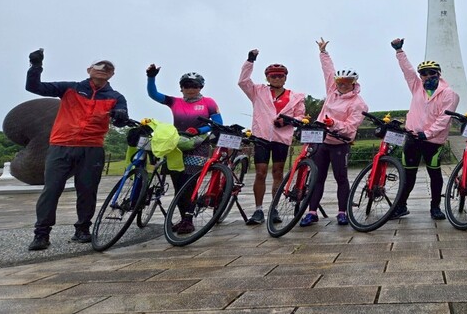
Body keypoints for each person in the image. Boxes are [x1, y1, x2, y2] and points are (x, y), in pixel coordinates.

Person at [25, 49, 128, 251]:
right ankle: (41, 234)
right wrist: (35, 66)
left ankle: (82, 229)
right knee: (51, 190)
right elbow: (34, 87)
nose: (103, 70)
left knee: (87, 191)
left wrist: (120, 115)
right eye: (99, 67)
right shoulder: (70, 88)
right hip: (61, 145)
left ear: (112, 75)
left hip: (92, 148)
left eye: (108, 69)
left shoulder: (116, 96)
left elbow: (122, 119)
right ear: (89, 69)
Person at [299, 38, 368, 227]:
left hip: (340, 143)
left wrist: (333, 123)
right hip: (322, 141)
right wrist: (323, 53)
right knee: (317, 177)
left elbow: (351, 126)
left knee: (341, 178)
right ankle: (312, 212)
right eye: (340, 81)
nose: (342, 84)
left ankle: (342, 212)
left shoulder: (359, 103)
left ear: (354, 83)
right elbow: (328, 72)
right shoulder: (332, 91)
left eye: (347, 82)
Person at [146, 65, 223, 234]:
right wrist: (151, 77)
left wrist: (199, 130)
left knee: (189, 182)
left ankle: (188, 219)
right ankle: (184, 219)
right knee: (178, 183)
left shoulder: (208, 102)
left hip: (198, 145)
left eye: (194, 85)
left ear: (200, 87)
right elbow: (154, 95)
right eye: (186, 85)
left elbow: (218, 123)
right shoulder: (175, 102)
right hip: (177, 144)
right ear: (181, 87)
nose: (190, 89)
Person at [389, 38, 459, 220]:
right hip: (413, 138)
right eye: (424, 74)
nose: (427, 76)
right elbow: (407, 71)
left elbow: (444, 118)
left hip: (432, 141)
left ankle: (435, 207)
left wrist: (427, 133)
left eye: (431, 73)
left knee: (434, 174)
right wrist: (399, 51)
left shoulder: (449, 94)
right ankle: (401, 206)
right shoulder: (416, 86)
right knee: (408, 174)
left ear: (438, 74)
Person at [239, 49, 306, 225]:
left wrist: (287, 121)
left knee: (278, 172)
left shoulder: (295, 97)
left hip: (281, 139)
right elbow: (243, 81)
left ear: (285, 78)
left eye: (280, 76)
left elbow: (301, 116)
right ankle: (258, 209)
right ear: (267, 78)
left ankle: (274, 208)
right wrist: (250, 60)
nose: (277, 79)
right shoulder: (258, 91)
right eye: (273, 76)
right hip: (261, 136)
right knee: (260, 173)